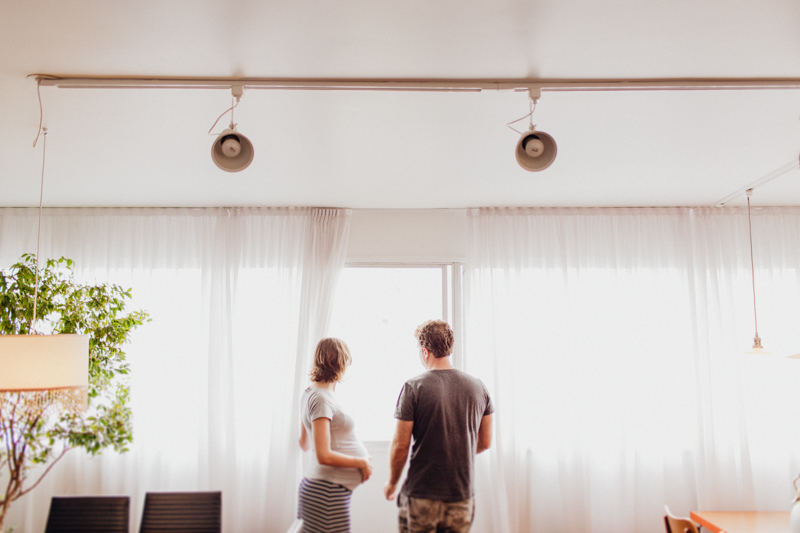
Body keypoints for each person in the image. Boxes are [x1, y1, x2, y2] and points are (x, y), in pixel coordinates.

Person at [384, 320, 494, 533]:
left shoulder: (413, 387)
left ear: (425, 351)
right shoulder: (479, 387)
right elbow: (485, 442)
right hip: (461, 494)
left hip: (422, 494)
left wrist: (391, 483)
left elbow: (400, 445)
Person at [298, 337, 373, 533]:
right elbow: (323, 455)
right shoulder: (321, 399)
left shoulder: (310, 393)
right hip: (327, 492)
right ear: (340, 363)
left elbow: (304, 443)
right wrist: (362, 463)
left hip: (325, 490)